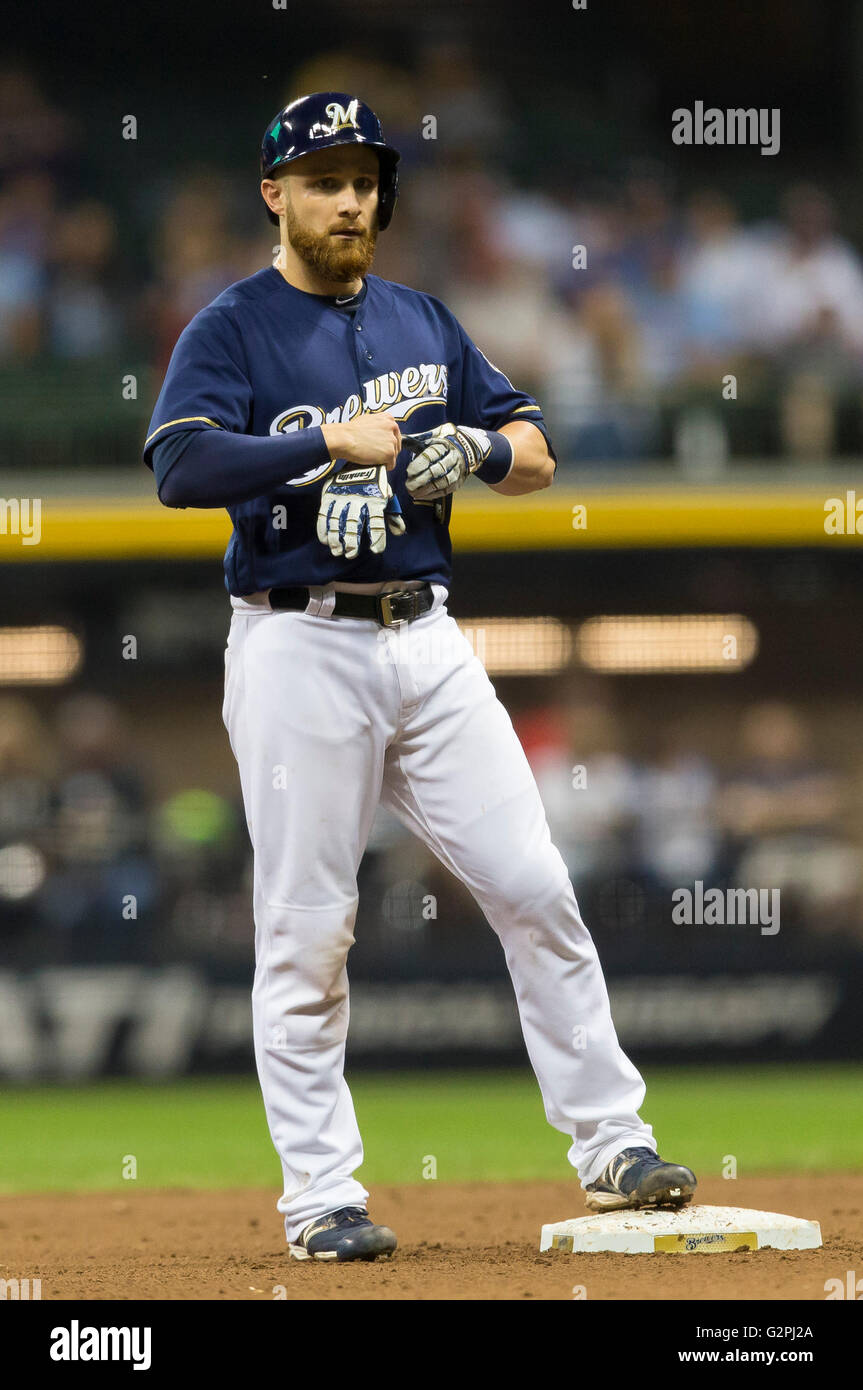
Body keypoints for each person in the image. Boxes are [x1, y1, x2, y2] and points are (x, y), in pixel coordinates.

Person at [143, 92, 695, 1264]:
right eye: (325, 178)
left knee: (535, 882)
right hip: (297, 642)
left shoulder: (421, 318)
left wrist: (484, 449)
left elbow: (537, 448)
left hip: (428, 640)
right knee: (307, 930)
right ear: (274, 195)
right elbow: (182, 466)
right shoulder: (231, 327)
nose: (350, 198)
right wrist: (318, 444)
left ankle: (611, 1142)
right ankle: (319, 1200)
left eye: (364, 179)